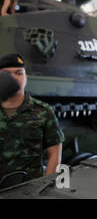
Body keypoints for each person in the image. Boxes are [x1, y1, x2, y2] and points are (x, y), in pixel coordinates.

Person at [0, 54, 64, 183]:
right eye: (6, 74)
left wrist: (45, 184)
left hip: (28, 187)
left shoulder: (43, 111)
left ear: (26, 78)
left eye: (19, 73)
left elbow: (55, 153)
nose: (13, 78)